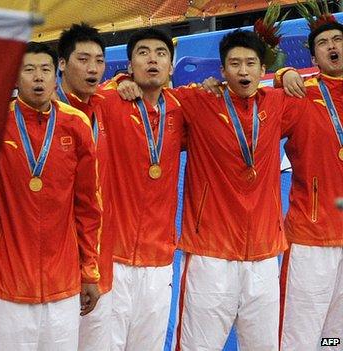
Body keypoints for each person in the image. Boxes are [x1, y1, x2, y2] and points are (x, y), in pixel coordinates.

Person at [117, 29, 302, 350]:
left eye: (251, 64)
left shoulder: (277, 102)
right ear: (222, 70)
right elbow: (152, 90)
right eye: (234, 64)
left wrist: (287, 72)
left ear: (262, 69)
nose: (243, 71)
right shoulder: (198, 101)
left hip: (264, 257)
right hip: (209, 257)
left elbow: (323, 86)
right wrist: (122, 79)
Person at [0, 41, 102, 351]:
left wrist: (89, 269)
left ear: (56, 74)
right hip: (7, 284)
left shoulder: (76, 124)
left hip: (63, 285)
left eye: (45, 70)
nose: (38, 78)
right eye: (29, 70)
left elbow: (88, 206)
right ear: (14, 77)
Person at [98, 28, 184, 351]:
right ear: (130, 63)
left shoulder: (181, 108)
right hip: (114, 259)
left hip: (159, 261)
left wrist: (283, 73)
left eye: (161, 53)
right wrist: (117, 80)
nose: (152, 59)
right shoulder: (110, 101)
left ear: (171, 68)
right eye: (143, 52)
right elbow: (80, 94)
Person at [273, 11, 343, 349]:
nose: (332, 47)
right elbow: (250, 102)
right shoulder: (301, 95)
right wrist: (281, 74)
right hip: (312, 236)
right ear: (313, 57)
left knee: (335, 334)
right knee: (298, 333)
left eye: (338, 40)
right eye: (323, 43)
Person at [55, 23, 113, 351]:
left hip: (100, 262)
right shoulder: (42, 110)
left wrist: (281, 73)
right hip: (52, 264)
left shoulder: (106, 105)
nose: (92, 68)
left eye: (99, 60)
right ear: (62, 63)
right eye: (83, 59)